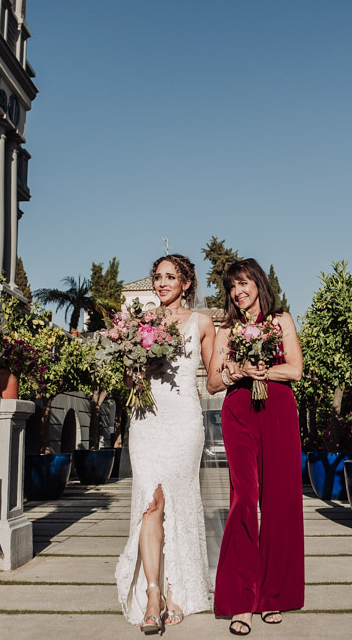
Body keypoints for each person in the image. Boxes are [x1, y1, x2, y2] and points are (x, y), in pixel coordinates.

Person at [115, 254, 217, 634]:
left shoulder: (202, 323)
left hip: (184, 421)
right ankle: (153, 594)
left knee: (179, 501)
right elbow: (129, 382)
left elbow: (213, 380)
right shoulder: (140, 321)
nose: (161, 283)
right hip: (146, 420)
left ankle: (178, 590)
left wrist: (243, 368)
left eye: (170, 277)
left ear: (185, 283)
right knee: (150, 502)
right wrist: (130, 365)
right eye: (157, 276)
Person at [207, 258, 304, 636]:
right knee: (244, 499)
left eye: (243, 283)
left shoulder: (281, 320)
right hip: (239, 414)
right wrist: (237, 373)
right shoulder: (226, 330)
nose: (237, 292)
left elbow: (295, 369)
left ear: (258, 283)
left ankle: (273, 595)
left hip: (278, 411)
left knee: (279, 501)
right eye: (232, 287)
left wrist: (262, 371)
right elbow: (212, 383)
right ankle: (241, 600)